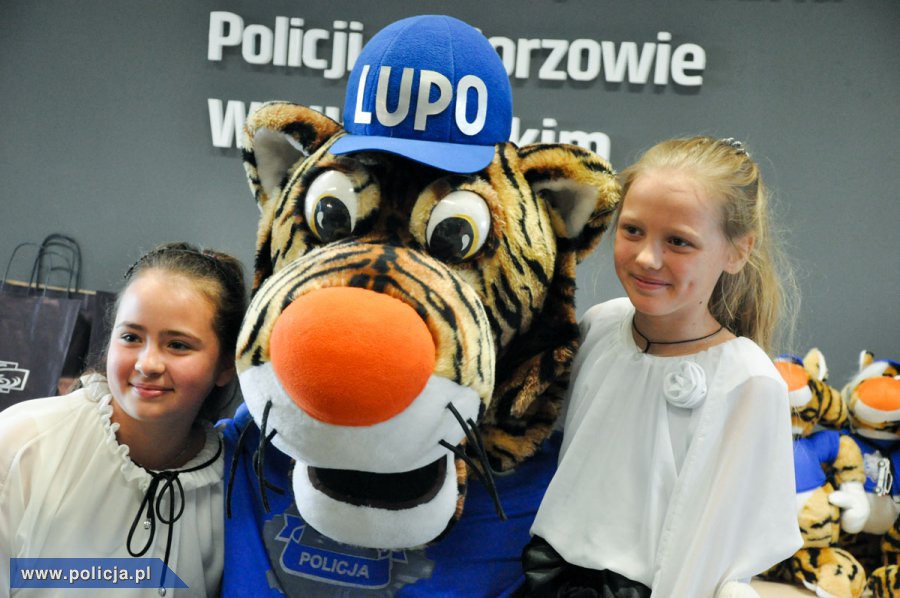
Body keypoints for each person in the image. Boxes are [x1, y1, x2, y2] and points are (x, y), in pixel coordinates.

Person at [523, 136, 802, 597]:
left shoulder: (746, 381)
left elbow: (715, 552)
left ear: (737, 251)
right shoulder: (601, 327)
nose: (647, 258)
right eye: (633, 230)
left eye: (678, 241)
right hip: (546, 581)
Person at [0, 241, 247, 596]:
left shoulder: (234, 487)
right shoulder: (22, 443)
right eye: (131, 337)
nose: (147, 364)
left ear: (225, 364)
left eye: (178, 345)